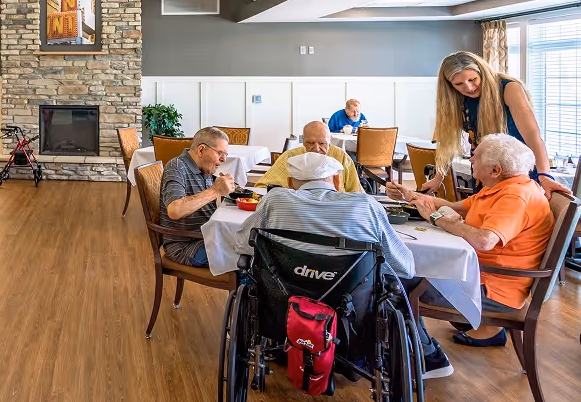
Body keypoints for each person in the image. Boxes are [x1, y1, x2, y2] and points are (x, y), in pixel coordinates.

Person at [233, 153, 444, 375]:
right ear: (336, 181)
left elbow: (242, 245)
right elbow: (404, 267)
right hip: (351, 316)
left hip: (284, 309)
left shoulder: (274, 200)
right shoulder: (366, 206)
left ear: (289, 183)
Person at [388, 133, 554, 351]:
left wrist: (436, 219)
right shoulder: (501, 186)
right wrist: (411, 196)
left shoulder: (515, 198)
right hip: (479, 276)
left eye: (476, 156)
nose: (471, 159)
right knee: (400, 268)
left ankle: (427, 355)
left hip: (492, 290)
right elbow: (452, 206)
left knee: (393, 281)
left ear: (495, 170)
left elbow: (485, 240)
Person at [427, 51, 568, 196]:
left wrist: (545, 177)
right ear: (450, 85)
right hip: (486, 174)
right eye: (459, 84)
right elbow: (447, 142)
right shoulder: (456, 98)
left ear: (482, 72)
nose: (468, 88)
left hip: (518, 171)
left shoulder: (509, 88)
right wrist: (438, 178)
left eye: (472, 79)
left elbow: (533, 136)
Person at [159, 127, 236, 267]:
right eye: (220, 153)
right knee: (248, 260)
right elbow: (175, 210)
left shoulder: (205, 169)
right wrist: (215, 191)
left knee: (255, 246)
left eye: (225, 154)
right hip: (186, 246)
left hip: (208, 237)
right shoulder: (176, 167)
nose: (223, 159)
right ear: (201, 150)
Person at [254, 121, 363, 192]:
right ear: (303, 143)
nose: (316, 149)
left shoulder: (340, 156)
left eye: (322, 143)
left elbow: (356, 192)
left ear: (330, 143)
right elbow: (262, 187)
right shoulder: (291, 157)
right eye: (310, 143)